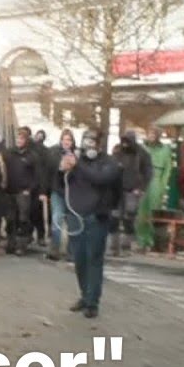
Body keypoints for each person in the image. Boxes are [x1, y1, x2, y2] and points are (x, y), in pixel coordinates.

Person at [64, 129, 122, 319]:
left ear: (99, 144)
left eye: (93, 142)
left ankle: (92, 302)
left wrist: (78, 165)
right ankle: (84, 295)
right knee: (79, 259)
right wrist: (62, 169)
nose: (89, 146)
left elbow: (101, 179)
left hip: (97, 216)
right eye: (86, 141)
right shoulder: (77, 162)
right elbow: (60, 183)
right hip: (76, 215)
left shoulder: (109, 163)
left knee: (94, 259)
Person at [111, 130, 153, 256]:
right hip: (117, 188)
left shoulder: (142, 153)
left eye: (127, 141)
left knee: (128, 218)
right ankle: (114, 246)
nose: (125, 144)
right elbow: (112, 167)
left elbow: (148, 172)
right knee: (114, 217)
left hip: (133, 189)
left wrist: (141, 188)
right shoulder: (117, 151)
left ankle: (126, 245)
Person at [3, 126, 40, 256]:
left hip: (23, 192)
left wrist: (29, 189)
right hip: (9, 191)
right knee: (10, 219)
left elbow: (36, 176)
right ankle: (10, 243)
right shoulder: (8, 153)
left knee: (23, 219)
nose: (19, 140)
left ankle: (22, 245)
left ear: (26, 141)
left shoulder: (32, 156)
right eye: (18, 138)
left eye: (22, 138)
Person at [136, 127, 173, 252]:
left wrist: (163, 185)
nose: (152, 136)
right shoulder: (141, 148)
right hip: (142, 179)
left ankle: (152, 240)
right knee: (141, 211)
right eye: (150, 134)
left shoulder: (165, 149)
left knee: (153, 211)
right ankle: (141, 240)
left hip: (156, 178)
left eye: (154, 134)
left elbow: (168, 168)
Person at [44, 130, 76, 261]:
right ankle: (54, 249)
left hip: (73, 193)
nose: (66, 142)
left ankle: (71, 252)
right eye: (64, 139)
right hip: (58, 191)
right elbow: (48, 171)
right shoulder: (54, 153)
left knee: (72, 222)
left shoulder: (77, 154)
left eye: (69, 140)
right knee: (57, 219)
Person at [30, 130, 49, 246]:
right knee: (34, 212)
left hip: (37, 184)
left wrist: (43, 189)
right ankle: (38, 236)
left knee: (35, 212)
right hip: (33, 184)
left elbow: (45, 171)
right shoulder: (41, 150)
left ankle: (38, 236)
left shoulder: (43, 151)